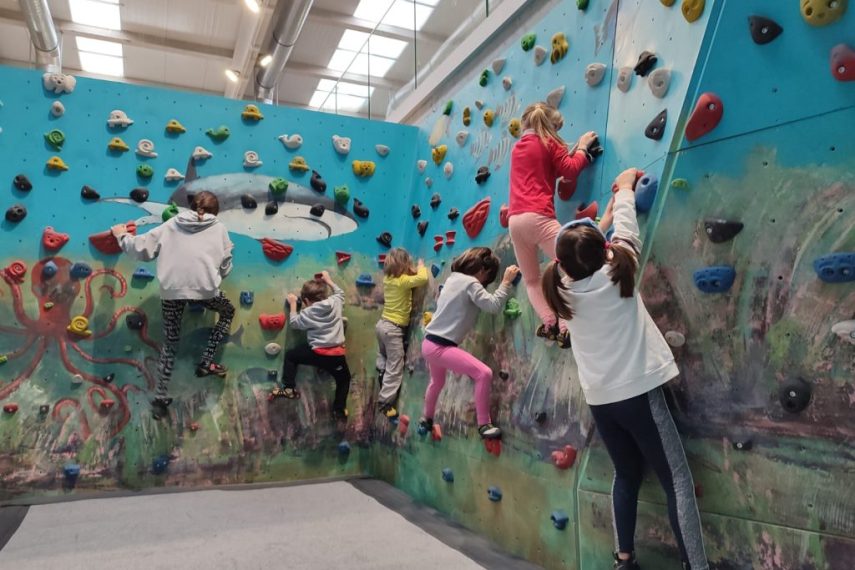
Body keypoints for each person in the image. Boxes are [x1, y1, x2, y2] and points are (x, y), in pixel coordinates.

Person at [541, 168, 708, 570]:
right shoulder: (619, 271)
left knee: (627, 475)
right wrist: (626, 189)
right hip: (639, 396)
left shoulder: (561, 289)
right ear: (605, 250)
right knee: (677, 482)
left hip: (602, 402)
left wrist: (604, 217)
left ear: (562, 263)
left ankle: (623, 559)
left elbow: (586, 252)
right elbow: (627, 229)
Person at [111, 191, 235, 420]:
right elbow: (226, 267)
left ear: (191, 207)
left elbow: (141, 249)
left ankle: (159, 397)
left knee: (171, 342)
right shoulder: (220, 229)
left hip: (172, 292)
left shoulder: (171, 225)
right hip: (205, 290)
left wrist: (121, 236)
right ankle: (207, 361)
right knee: (227, 312)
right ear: (215, 211)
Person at [507, 101, 598, 348]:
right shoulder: (550, 142)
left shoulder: (518, 148)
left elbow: (543, 171)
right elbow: (568, 171)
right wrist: (581, 149)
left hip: (515, 222)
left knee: (532, 281)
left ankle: (549, 322)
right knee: (571, 264)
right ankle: (567, 326)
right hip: (539, 218)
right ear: (550, 126)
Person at [418, 248, 520, 439]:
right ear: (483, 271)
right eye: (487, 277)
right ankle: (484, 424)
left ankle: (426, 418)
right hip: (441, 346)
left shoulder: (453, 279)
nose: (484, 282)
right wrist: (505, 282)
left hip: (429, 343)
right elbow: (492, 306)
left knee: (437, 382)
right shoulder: (471, 283)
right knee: (484, 373)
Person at [272, 271, 351, 422]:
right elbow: (340, 292)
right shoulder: (335, 302)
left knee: (291, 356)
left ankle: (289, 388)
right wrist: (329, 280)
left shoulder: (308, 312)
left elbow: (294, 323)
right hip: (336, 357)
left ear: (306, 300)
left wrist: (294, 305)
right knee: (344, 380)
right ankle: (339, 410)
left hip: (317, 354)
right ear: (325, 296)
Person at [376, 248, 428, 420]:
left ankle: (381, 371)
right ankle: (385, 402)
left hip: (382, 325)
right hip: (393, 329)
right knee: (396, 365)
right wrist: (421, 266)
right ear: (404, 265)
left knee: (384, 355)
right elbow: (422, 278)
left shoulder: (389, 279)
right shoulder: (403, 281)